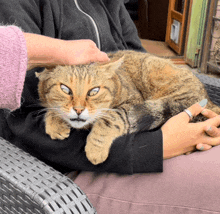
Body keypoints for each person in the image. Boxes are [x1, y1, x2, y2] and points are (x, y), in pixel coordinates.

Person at [0, 0, 220, 174]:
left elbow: (136, 56)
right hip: (78, 166)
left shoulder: (110, 2)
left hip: (149, 129)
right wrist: (155, 147)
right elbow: (21, 118)